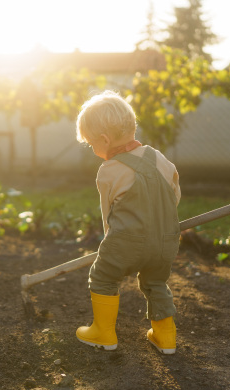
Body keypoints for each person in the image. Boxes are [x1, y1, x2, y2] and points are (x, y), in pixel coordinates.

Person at [75, 90, 181, 354]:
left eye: (91, 144)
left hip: (127, 241)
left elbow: (108, 213)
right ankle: (165, 337)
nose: (93, 150)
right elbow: (174, 197)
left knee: (103, 277)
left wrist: (111, 244)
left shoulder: (110, 170)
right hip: (165, 241)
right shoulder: (160, 159)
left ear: (105, 139)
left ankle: (104, 333)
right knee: (156, 282)